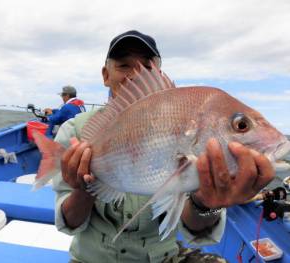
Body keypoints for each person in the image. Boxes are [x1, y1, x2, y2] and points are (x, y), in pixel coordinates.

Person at [53, 30, 274, 262]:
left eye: (146, 67)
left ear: (158, 73)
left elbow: (196, 229)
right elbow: (69, 224)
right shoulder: (76, 132)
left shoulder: (197, 137)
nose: (135, 75)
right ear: (106, 75)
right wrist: (83, 189)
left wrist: (207, 203)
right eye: (123, 65)